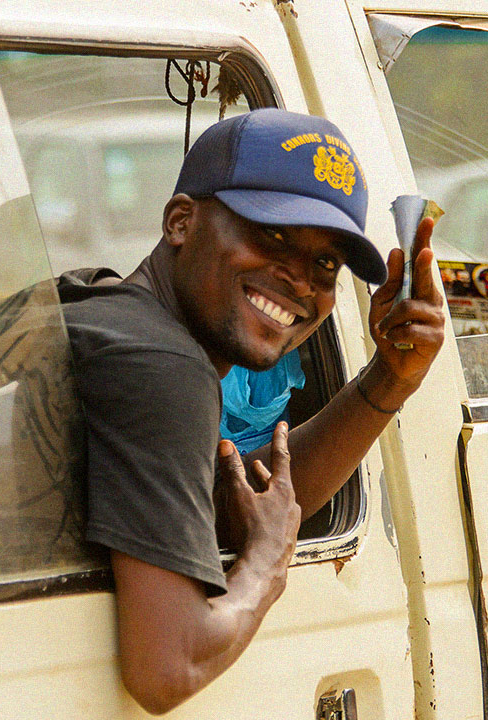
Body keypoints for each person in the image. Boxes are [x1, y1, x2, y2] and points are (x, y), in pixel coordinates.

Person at [58, 108, 445, 714]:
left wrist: (390, 378)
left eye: (326, 264)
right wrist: (266, 567)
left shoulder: (102, 307)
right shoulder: (163, 367)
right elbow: (167, 667)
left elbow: (223, 507)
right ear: (181, 221)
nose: (298, 278)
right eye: (272, 233)